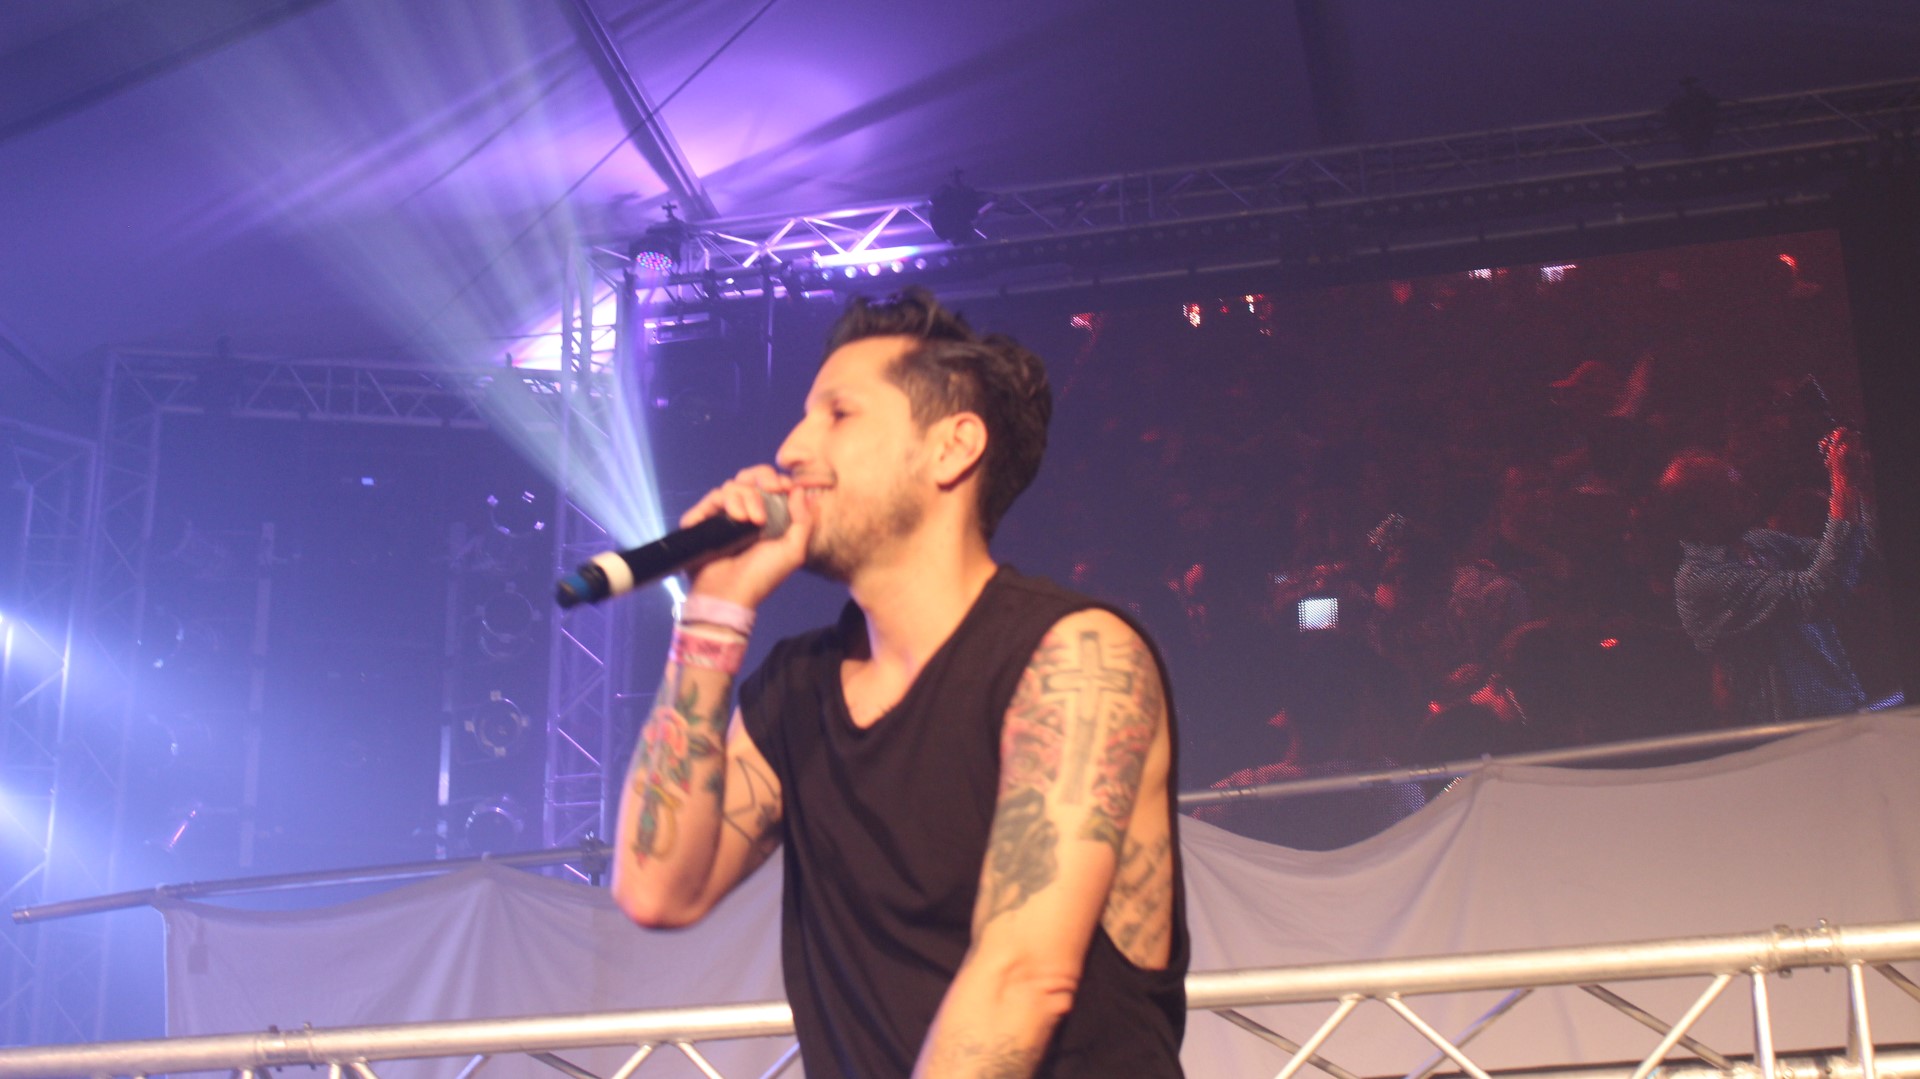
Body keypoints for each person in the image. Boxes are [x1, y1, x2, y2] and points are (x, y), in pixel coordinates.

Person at [610, 288, 1188, 1078]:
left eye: (838, 414)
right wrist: (715, 607)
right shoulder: (797, 688)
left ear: (952, 448)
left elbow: (1021, 977)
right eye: (803, 417)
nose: (792, 447)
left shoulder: (1075, 658)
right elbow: (657, 890)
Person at [1660, 429, 1870, 723]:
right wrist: (1842, 482)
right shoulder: (1702, 580)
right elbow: (1820, 593)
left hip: (1839, 706)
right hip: (1793, 730)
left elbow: (1859, 554)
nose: (1752, 495)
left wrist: (1861, 484)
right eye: (1734, 493)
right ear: (1699, 515)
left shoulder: (1759, 541)